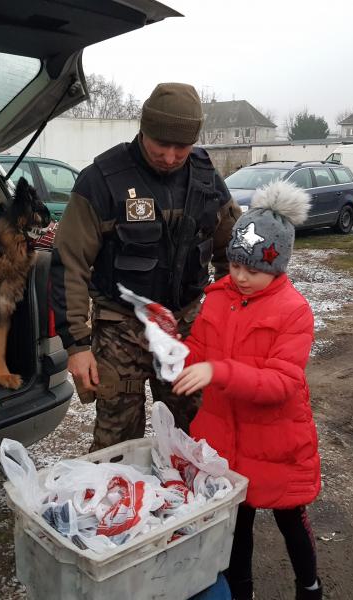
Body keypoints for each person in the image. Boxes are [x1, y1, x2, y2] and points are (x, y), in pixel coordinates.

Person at [50, 82, 239, 451]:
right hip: (121, 328)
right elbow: (69, 263)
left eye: (180, 148)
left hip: (185, 327)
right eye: (160, 145)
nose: (169, 157)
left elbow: (231, 254)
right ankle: (119, 503)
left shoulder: (206, 178)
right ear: (143, 129)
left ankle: (189, 506)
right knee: (117, 440)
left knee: (195, 433)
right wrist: (76, 345)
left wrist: (231, 321)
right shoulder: (101, 180)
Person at [172, 180, 324, 600]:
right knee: (236, 523)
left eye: (252, 270)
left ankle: (309, 586)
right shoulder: (219, 298)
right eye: (235, 264)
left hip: (276, 439)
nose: (239, 276)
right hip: (226, 439)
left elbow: (281, 383)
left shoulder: (293, 311)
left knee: (291, 517)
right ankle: (242, 592)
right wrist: (174, 353)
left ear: (277, 266)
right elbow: (199, 349)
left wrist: (216, 371)